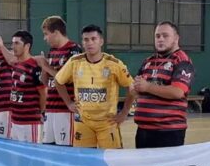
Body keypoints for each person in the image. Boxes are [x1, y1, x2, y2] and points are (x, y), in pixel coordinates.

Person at [54, 25, 134, 149]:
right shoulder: (75, 62)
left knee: (111, 158)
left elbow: (132, 87)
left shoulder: (114, 64)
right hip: (83, 121)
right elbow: (58, 81)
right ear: (82, 43)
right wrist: (69, 103)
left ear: (101, 41)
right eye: (86, 40)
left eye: (93, 39)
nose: (90, 43)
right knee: (84, 158)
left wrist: (124, 112)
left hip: (107, 122)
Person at [126, 21, 195, 148]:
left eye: (165, 35)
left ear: (176, 38)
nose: (160, 39)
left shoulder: (181, 60)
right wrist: (134, 88)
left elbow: (177, 92)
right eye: (157, 36)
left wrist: (147, 87)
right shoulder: (148, 61)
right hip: (143, 130)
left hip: (168, 132)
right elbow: (136, 88)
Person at [37, 16, 83, 145]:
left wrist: (47, 66)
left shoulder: (74, 49)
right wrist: (44, 67)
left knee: (64, 149)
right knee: (48, 149)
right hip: (50, 108)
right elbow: (45, 82)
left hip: (65, 111)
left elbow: (66, 79)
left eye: (46, 34)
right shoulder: (52, 51)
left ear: (56, 32)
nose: (45, 38)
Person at [8, 30, 46, 143]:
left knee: (32, 152)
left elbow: (43, 94)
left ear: (27, 46)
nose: (13, 46)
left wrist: (40, 112)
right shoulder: (16, 64)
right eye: (12, 43)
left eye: (17, 43)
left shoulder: (34, 66)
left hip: (30, 122)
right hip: (15, 120)